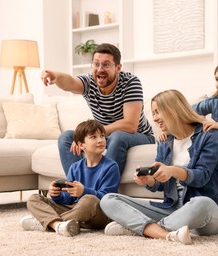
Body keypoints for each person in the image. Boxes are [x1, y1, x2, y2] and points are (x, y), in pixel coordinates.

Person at [100, 89, 218, 245]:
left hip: (203, 212)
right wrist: (150, 181)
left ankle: (142, 228)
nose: (155, 119)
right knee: (108, 199)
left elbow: (202, 177)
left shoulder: (208, 135)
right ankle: (162, 231)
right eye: (153, 113)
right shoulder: (165, 141)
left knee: (203, 203)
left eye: (158, 112)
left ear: (173, 110)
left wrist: (172, 170)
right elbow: (160, 185)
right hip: (171, 207)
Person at [41, 43, 154, 174]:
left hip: (139, 135)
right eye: (96, 64)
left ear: (118, 68)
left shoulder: (130, 82)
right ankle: (78, 188)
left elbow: (130, 125)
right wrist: (56, 76)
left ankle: (105, 190)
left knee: (118, 137)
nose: (100, 69)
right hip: (105, 135)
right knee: (66, 137)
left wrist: (93, 135)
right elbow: (70, 82)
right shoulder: (89, 82)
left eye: (106, 65)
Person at [20, 119, 120, 236]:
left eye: (102, 136)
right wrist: (56, 195)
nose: (100, 140)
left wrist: (83, 191)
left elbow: (107, 199)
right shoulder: (75, 167)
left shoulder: (111, 166)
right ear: (81, 145)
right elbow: (68, 198)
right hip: (75, 212)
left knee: (88, 200)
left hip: (97, 213)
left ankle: (48, 223)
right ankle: (58, 225)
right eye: (93, 137)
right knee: (34, 199)